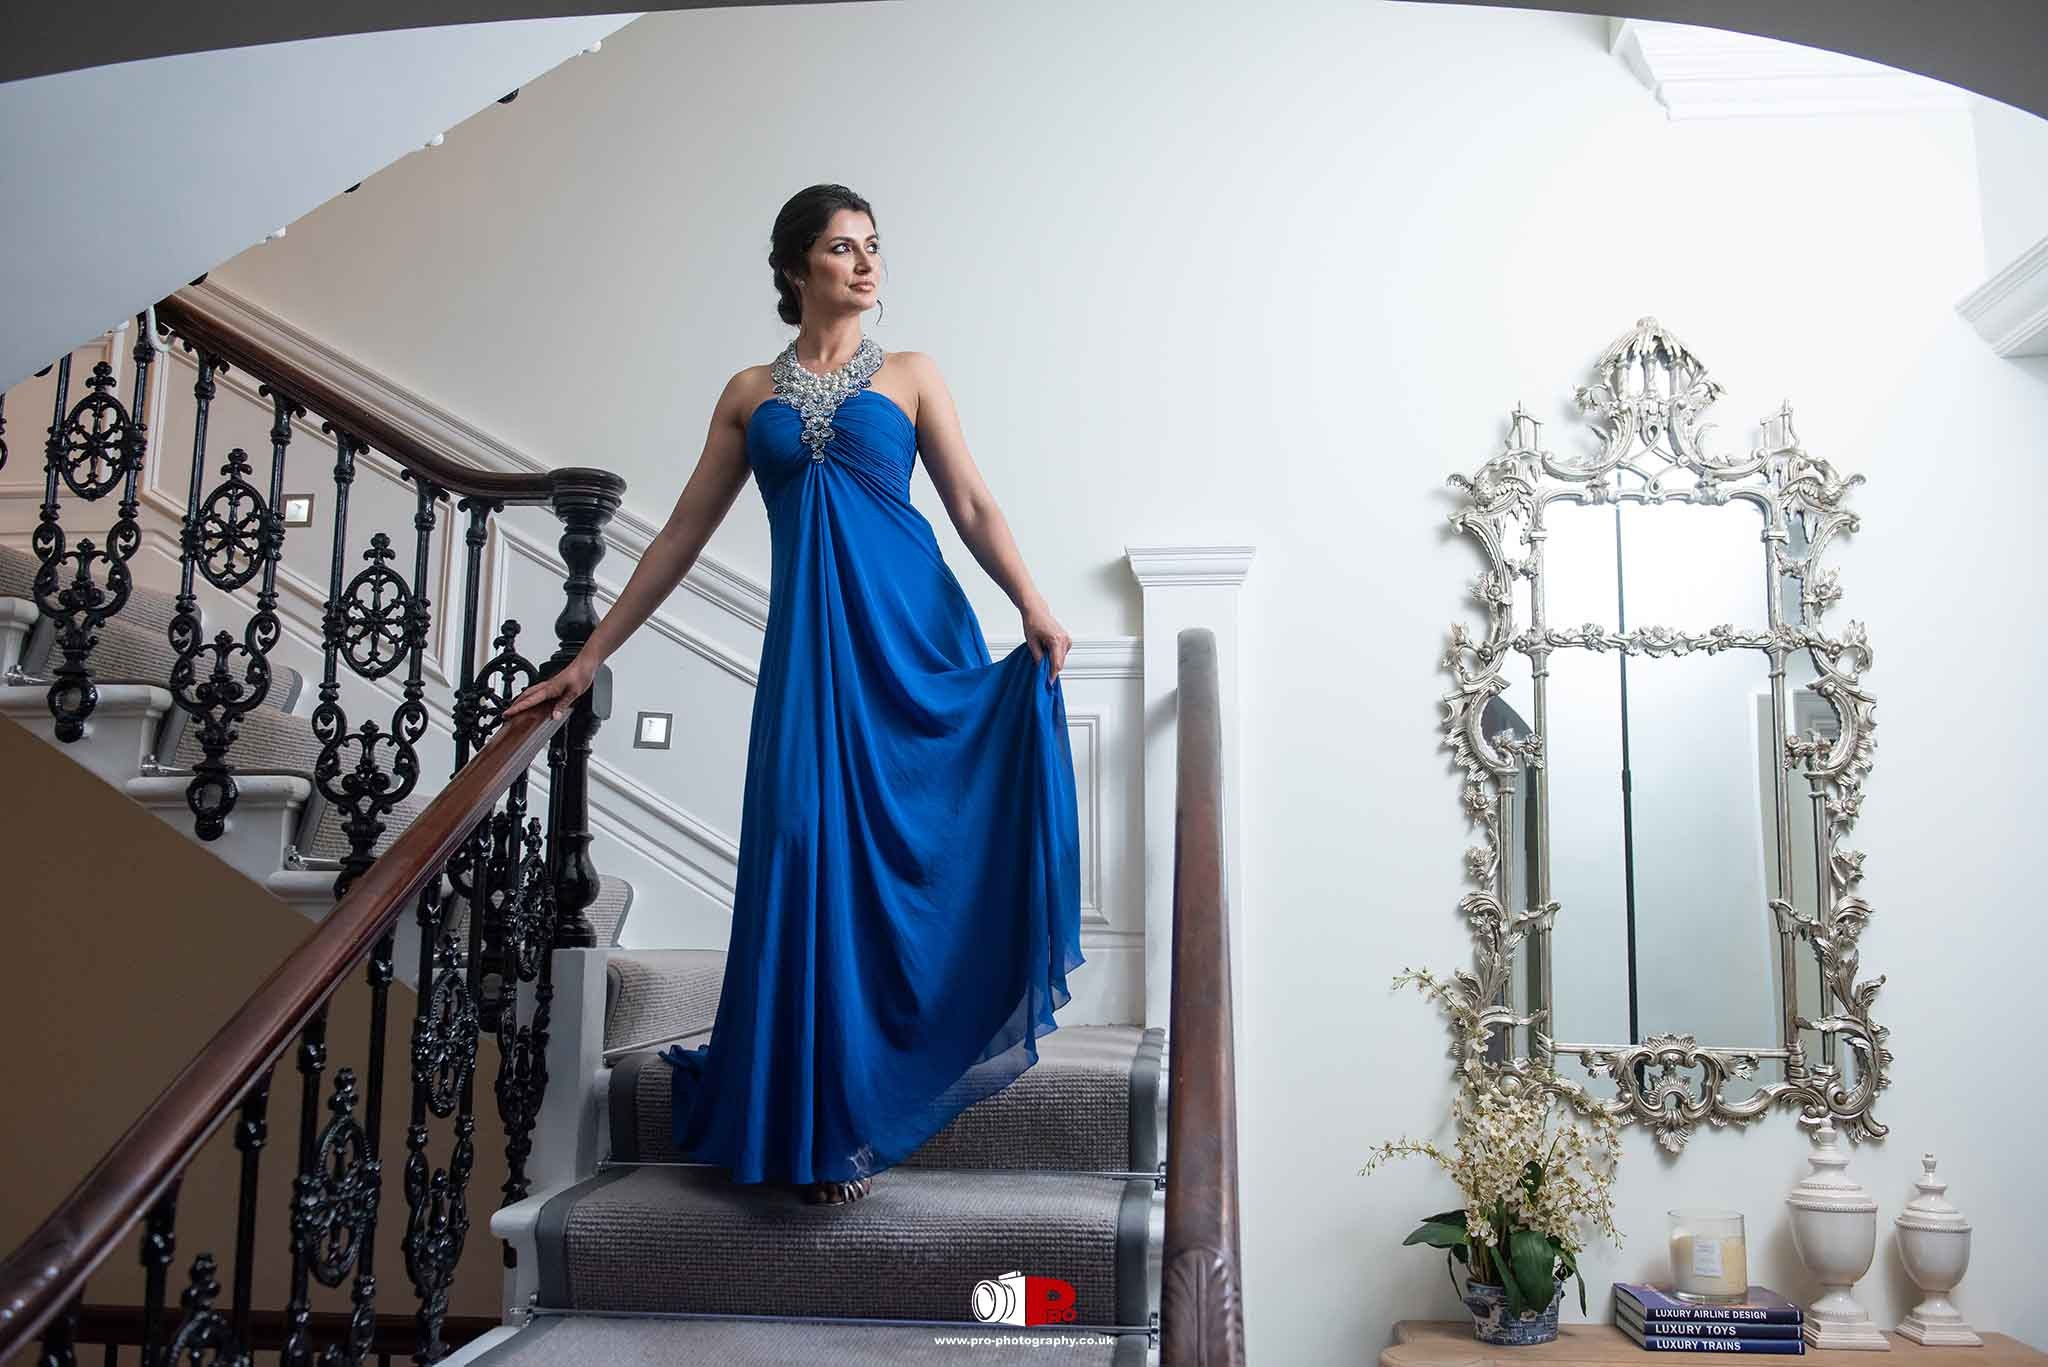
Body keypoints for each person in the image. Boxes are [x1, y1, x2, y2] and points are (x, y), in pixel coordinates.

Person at [503, 184, 1084, 1205]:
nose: (865, 263)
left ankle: (855, 1111)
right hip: (808, 658)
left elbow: (970, 502)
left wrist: (1031, 601)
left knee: (899, 855)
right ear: (793, 266)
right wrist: (589, 656)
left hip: (907, 636)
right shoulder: (746, 393)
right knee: (805, 845)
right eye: (842, 246)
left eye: (872, 246)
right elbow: (680, 535)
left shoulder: (911, 374)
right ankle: (811, 1116)